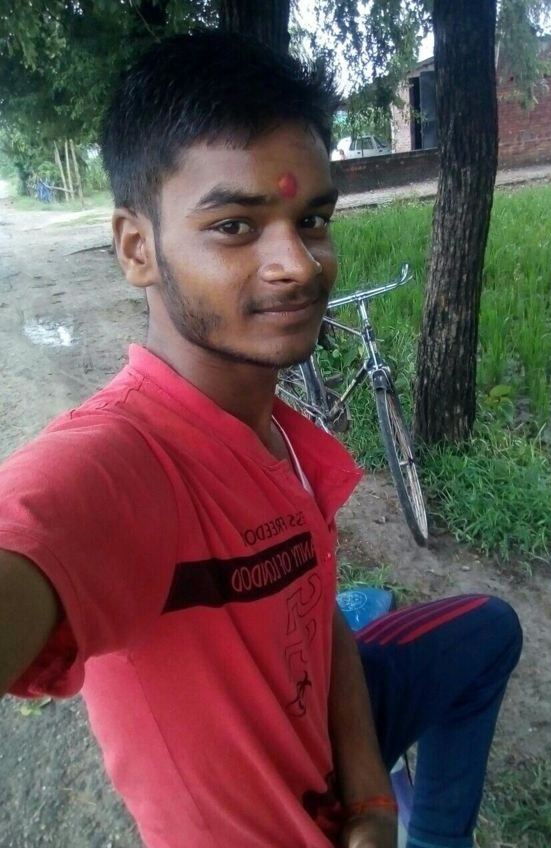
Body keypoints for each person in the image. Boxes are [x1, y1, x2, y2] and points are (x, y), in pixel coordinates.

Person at [0, 31, 522, 848]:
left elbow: (317, 613)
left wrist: (372, 801)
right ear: (137, 248)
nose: (301, 265)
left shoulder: (276, 430)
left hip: (327, 743)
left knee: (487, 630)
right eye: (236, 225)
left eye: (311, 219)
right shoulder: (124, 461)